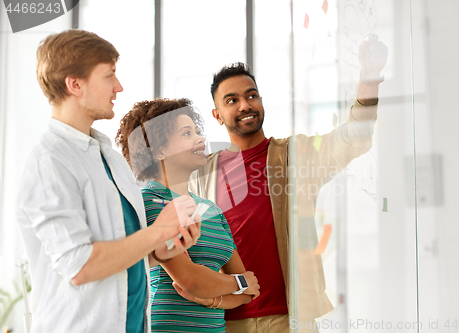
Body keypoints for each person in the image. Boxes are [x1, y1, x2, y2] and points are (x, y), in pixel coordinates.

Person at [188, 35, 388, 332]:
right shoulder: (200, 174)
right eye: (232, 100)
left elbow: (354, 137)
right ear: (218, 115)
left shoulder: (295, 155)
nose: (245, 105)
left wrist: (369, 78)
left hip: (290, 319)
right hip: (225, 321)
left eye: (251, 95)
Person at [16, 30, 201, 333]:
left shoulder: (111, 159)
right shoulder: (48, 162)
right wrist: (158, 232)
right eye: (109, 75)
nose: (119, 86)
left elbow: (123, 254)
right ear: (75, 84)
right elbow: (80, 266)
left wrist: (161, 251)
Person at [116, 98, 261, 333]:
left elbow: (249, 293)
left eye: (197, 131)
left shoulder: (211, 210)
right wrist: (237, 284)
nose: (200, 139)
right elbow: (191, 280)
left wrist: (212, 300)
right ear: (159, 149)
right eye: (186, 133)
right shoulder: (149, 203)